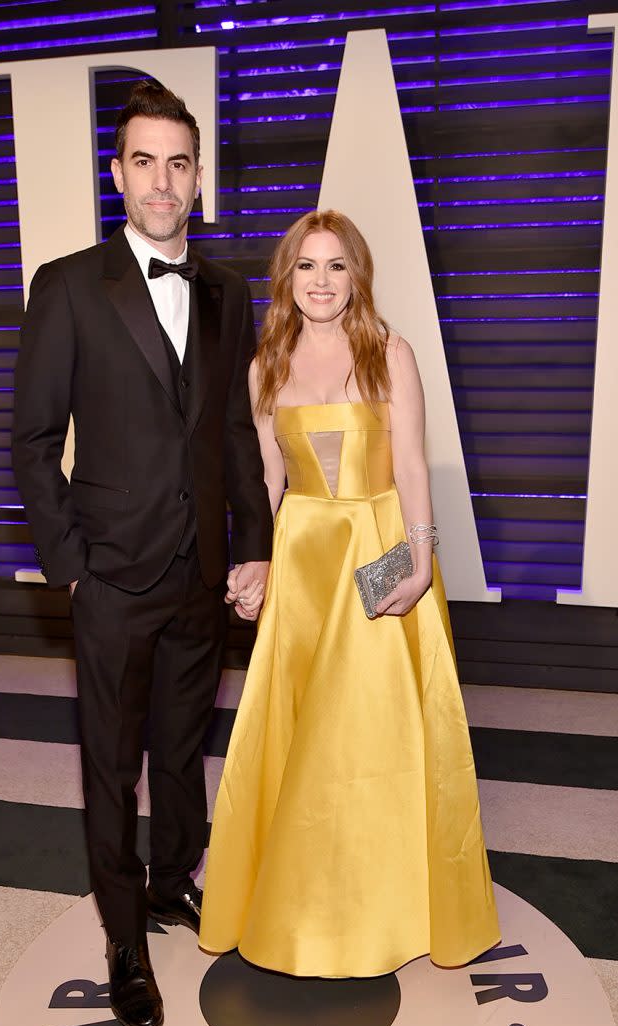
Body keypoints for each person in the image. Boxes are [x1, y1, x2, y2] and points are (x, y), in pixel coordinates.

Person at [11, 80, 272, 1026]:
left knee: (181, 756)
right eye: (144, 161)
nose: (162, 181)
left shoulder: (230, 290)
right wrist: (69, 561)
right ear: (117, 173)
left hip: (202, 572)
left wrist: (254, 548)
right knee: (111, 767)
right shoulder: (70, 285)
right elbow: (34, 439)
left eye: (179, 163)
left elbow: (236, 433)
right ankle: (124, 940)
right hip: (112, 575)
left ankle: (171, 887)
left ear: (198, 177)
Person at [199, 210, 500, 977]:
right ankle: (298, 893)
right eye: (307, 265)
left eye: (337, 266)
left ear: (356, 275)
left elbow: (410, 470)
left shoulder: (388, 353)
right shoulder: (265, 363)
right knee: (301, 730)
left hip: (376, 551)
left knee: (371, 730)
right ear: (287, 276)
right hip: (304, 559)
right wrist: (255, 562)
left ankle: (387, 897)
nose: (322, 281)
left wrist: (422, 563)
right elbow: (267, 479)